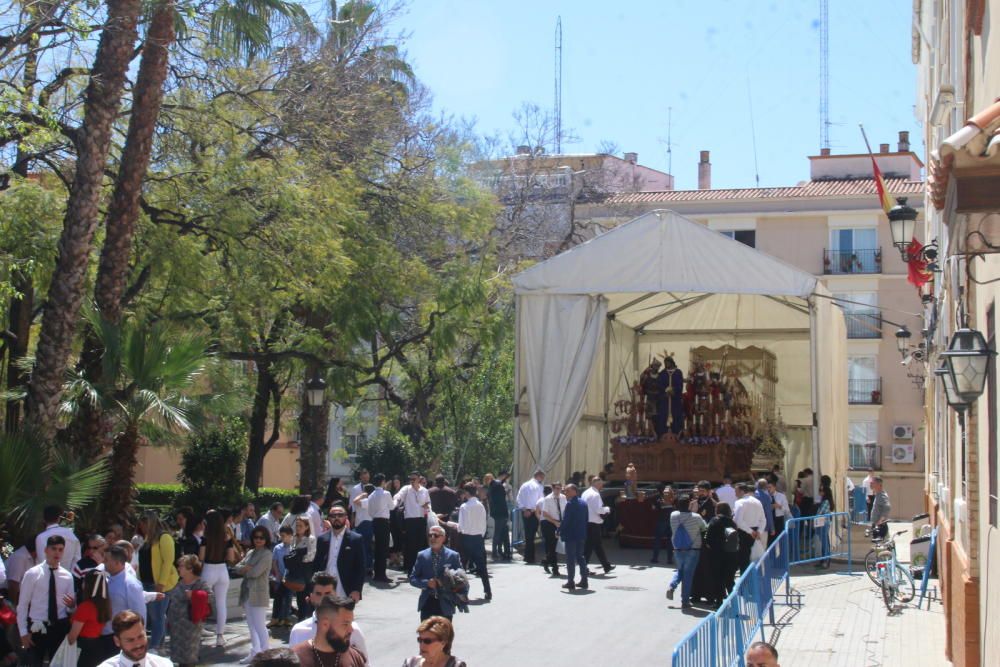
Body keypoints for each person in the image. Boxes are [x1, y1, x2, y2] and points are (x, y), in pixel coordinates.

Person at [16, 535, 75, 665]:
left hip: (59, 626)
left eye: (60, 549)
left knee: (58, 663)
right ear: (46, 550)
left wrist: (71, 605)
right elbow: (23, 605)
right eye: (54, 549)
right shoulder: (32, 574)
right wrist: (23, 632)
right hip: (37, 626)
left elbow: (70, 606)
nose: (57, 553)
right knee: (34, 663)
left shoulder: (67, 576)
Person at [287, 572, 370, 663]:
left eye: (328, 593)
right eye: (318, 594)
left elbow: (365, 663)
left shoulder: (353, 630)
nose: (323, 599)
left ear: (336, 595)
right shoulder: (298, 630)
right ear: (311, 596)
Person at [136, 510, 176, 653]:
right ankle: (159, 644)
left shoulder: (164, 538)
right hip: (147, 582)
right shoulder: (148, 539)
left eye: (143, 524)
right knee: (156, 616)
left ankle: (155, 646)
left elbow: (168, 561)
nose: (141, 527)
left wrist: (162, 583)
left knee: (157, 616)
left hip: (158, 584)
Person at [289, 595, 366, 667]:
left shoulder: (355, 657)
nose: (351, 630)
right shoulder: (295, 659)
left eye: (351, 623)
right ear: (325, 624)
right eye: (345, 624)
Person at [235, 526, 274, 663]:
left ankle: (265, 655)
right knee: (251, 625)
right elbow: (237, 567)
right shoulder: (250, 552)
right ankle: (255, 652)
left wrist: (246, 569)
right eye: (256, 537)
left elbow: (255, 573)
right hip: (247, 592)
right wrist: (246, 568)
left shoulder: (267, 554)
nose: (258, 540)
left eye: (261, 537)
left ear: (266, 539)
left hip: (258, 593)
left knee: (259, 625)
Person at [410, 525, 465, 620]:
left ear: (443, 538)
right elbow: (412, 578)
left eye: (435, 535)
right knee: (426, 633)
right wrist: (426, 583)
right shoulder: (422, 555)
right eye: (430, 535)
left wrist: (447, 582)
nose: (432, 538)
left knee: (444, 634)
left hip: (446, 603)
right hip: (427, 602)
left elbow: (461, 579)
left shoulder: (453, 556)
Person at [200, 508, 237, 646]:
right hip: (222, 570)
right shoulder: (226, 538)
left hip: (208, 570)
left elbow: (201, 557)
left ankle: (199, 630)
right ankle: (220, 636)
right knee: (221, 604)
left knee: (201, 602)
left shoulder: (205, 538)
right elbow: (231, 557)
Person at [165, 554, 211, 667]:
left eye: (181, 566)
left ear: (190, 569)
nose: (178, 568)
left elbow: (210, 599)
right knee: (180, 659)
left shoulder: (200, 584)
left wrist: (194, 595)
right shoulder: (180, 582)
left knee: (188, 658)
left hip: (190, 628)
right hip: (176, 627)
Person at [315, 505, 366, 602]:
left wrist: (356, 590)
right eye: (333, 516)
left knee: (343, 617)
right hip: (324, 588)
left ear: (346, 517)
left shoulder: (355, 539)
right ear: (329, 518)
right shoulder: (322, 539)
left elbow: (360, 567)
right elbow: (316, 565)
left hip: (345, 589)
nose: (337, 518)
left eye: (340, 515)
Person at [665, 494, 707, 608]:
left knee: (680, 570)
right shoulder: (696, 517)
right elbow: (704, 528)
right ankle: (685, 601)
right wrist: (695, 511)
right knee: (688, 574)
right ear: (689, 504)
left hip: (678, 548)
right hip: (693, 549)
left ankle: (672, 586)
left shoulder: (673, 515)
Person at [67, 570, 114, 667]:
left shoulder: (86, 606)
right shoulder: (105, 605)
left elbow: (72, 638)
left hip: (84, 650)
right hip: (98, 648)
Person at [96, 611, 172, 667]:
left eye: (140, 636)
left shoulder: (164, 664)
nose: (138, 644)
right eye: (130, 640)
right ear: (117, 641)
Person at [456, 483, 491, 600]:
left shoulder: (464, 506)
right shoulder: (481, 505)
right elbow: (484, 523)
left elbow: (461, 525)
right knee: (482, 566)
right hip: (478, 538)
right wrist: (481, 534)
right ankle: (487, 591)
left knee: (463, 566)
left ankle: (462, 592)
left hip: (466, 537)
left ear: (466, 493)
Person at [704, 502, 740, 606]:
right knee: (730, 580)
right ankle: (734, 603)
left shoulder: (715, 520)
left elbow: (707, 537)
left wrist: (710, 547)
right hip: (732, 554)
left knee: (718, 579)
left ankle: (719, 602)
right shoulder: (732, 523)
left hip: (717, 554)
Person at [398, 472, 432, 574]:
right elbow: (399, 496)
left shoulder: (424, 490)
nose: (412, 481)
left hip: (421, 520)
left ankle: (420, 568)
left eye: (414, 479)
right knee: (411, 546)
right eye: (410, 478)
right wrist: (395, 500)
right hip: (410, 520)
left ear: (419, 479)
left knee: (420, 545)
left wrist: (427, 507)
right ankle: (410, 568)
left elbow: (428, 503)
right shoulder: (406, 489)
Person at [402, 615, 467, 667]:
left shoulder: (456, 665)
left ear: (443, 642)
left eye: (427, 641)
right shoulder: (410, 663)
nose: (421, 645)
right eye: (420, 640)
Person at [558, 483, 589, 591]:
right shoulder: (584, 503)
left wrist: (559, 530)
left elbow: (566, 520)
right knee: (580, 557)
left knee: (570, 559)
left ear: (574, 491)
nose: (565, 493)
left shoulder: (570, 504)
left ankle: (571, 581)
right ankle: (584, 580)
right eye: (565, 491)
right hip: (581, 534)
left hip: (571, 535)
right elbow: (586, 519)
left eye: (567, 491)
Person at [581, 476, 615, 573]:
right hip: (593, 523)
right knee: (589, 546)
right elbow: (598, 509)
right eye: (601, 484)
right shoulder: (595, 494)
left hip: (587, 521)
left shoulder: (585, 492)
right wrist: (607, 509)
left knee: (596, 545)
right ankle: (583, 566)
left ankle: (606, 565)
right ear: (597, 483)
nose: (602, 485)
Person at [287, 515, 318, 618]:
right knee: (299, 595)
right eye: (297, 525)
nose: (298, 528)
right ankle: (300, 617)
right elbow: (290, 552)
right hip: (295, 570)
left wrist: (298, 558)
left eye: (300, 526)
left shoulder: (310, 539)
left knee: (307, 594)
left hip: (306, 570)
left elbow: (311, 555)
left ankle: (309, 616)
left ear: (306, 527)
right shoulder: (293, 538)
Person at [366, 474, 394, 583]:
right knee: (383, 549)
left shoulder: (371, 495)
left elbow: (370, 512)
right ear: (382, 482)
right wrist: (396, 501)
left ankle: (377, 573)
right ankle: (382, 574)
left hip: (375, 521)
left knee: (377, 548)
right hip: (384, 522)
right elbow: (392, 506)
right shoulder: (386, 493)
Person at [36, 505, 81, 571]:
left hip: (46, 578)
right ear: (59, 518)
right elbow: (77, 559)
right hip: (68, 577)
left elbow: (42, 562)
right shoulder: (70, 534)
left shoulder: (41, 538)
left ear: (44, 519)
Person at [733, 483, 766, 574]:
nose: (735, 494)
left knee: (744, 558)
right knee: (753, 556)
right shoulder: (757, 501)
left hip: (744, 532)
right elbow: (763, 519)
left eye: (736, 491)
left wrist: (751, 532)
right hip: (755, 531)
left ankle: (745, 580)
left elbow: (738, 521)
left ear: (742, 491)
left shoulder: (739, 502)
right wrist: (759, 531)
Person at [515, 470, 545, 564]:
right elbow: (540, 501)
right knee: (532, 535)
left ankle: (528, 556)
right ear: (539, 476)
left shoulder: (524, 485)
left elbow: (518, 499)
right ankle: (530, 557)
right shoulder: (539, 486)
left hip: (525, 512)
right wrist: (532, 510)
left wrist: (524, 509)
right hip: (533, 512)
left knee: (528, 535)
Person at [269, 525, 296, 628]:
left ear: (290, 535)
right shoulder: (278, 547)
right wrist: (277, 573)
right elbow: (274, 562)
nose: (282, 538)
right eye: (281, 535)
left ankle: (285, 618)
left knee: (288, 597)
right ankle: (276, 618)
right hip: (280, 576)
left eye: (284, 535)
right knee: (278, 597)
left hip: (289, 576)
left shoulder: (293, 547)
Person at [540, 481, 566, 577]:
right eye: (557, 488)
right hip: (550, 523)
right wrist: (555, 522)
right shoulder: (547, 499)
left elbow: (565, 510)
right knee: (552, 545)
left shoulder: (563, 498)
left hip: (560, 522)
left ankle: (546, 561)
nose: (558, 490)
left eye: (560, 488)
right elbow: (545, 514)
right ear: (553, 488)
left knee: (557, 545)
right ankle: (555, 568)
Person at [350, 484, 375, 578]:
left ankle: (365, 567)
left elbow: (355, 501)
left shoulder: (367, 500)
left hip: (364, 524)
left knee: (363, 547)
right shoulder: (372, 500)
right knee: (368, 547)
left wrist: (362, 495)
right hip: (367, 524)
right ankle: (369, 567)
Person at [3, 535, 37, 603]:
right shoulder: (20, 557)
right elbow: (13, 584)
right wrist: (14, 607)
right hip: (7, 594)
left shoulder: (34, 557)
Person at [486, 472, 511, 561]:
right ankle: (496, 552)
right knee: (500, 533)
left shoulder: (492, 487)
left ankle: (499, 551)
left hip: (496, 513)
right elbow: (502, 500)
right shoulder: (497, 486)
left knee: (500, 532)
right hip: (501, 513)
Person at [650, 484, 675, 565]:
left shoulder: (659, 500)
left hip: (662, 521)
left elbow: (654, 508)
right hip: (670, 521)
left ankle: (655, 558)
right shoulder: (674, 500)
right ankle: (669, 559)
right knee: (670, 540)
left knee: (658, 539)